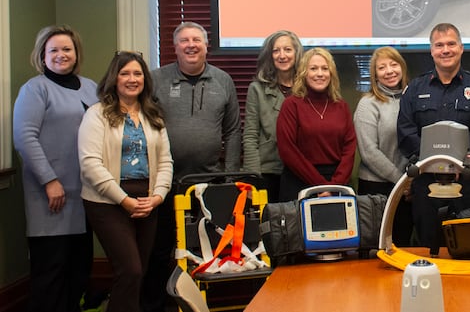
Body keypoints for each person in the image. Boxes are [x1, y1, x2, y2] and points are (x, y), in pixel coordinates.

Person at [142, 21, 242, 312]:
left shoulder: (223, 80)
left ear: (206, 46)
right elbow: (142, 125)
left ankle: (204, 305)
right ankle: (156, 306)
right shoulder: (156, 79)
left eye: (197, 40)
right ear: (174, 47)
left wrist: (229, 177)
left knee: (205, 248)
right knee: (159, 249)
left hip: (209, 182)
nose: (191, 45)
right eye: (184, 40)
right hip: (164, 183)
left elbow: (232, 131)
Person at [78, 51, 173, 312]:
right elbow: (90, 164)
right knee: (130, 270)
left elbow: (165, 161)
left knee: (139, 272)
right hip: (108, 202)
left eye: (138, 73)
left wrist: (157, 197)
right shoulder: (97, 114)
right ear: (114, 78)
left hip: (148, 201)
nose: (132, 79)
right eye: (125, 73)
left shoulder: (153, 115)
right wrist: (124, 200)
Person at [12, 25, 98, 312]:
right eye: (54, 50)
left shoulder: (91, 88)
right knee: (51, 273)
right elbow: (25, 137)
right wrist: (49, 180)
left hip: (85, 196)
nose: (61, 55)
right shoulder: (35, 89)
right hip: (52, 197)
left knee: (78, 271)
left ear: (76, 53)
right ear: (42, 55)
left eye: (67, 49)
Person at [397, 23, 470, 251]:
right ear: (431, 50)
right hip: (427, 183)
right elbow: (405, 130)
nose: (446, 50)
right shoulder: (415, 89)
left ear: (461, 48)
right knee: (429, 249)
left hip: (468, 181)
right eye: (439, 45)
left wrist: (457, 159)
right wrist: (434, 160)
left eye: (451, 44)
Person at [276, 47, 357, 201]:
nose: (320, 74)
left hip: (337, 184)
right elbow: (287, 150)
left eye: (325, 69)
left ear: (331, 73)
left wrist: (334, 185)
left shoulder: (341, 106)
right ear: (304, 73)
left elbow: (349, 148)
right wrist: (321, 185)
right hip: (299, 183)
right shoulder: (291, 105)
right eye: (313, 68)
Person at [354, 46, 413, 246]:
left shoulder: (412, 100)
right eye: (381, 67)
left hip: (407, 188)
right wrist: (401, 181)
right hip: (377, 188)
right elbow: (369, 152)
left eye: (393, 64)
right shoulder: (368, 104)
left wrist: (409, 182)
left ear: (402, 67)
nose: (389, 71)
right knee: (378, 248)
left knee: (403, 246)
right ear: (375, 75)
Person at [242, 30, 303, 201]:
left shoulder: (307, 88)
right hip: (268, 172)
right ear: (270, 56)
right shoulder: (257, 89)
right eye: (276, 51)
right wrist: (252, 178)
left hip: (302, 171)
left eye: (287, 50)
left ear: (297, 53)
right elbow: (250, 136)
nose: (282, 55)